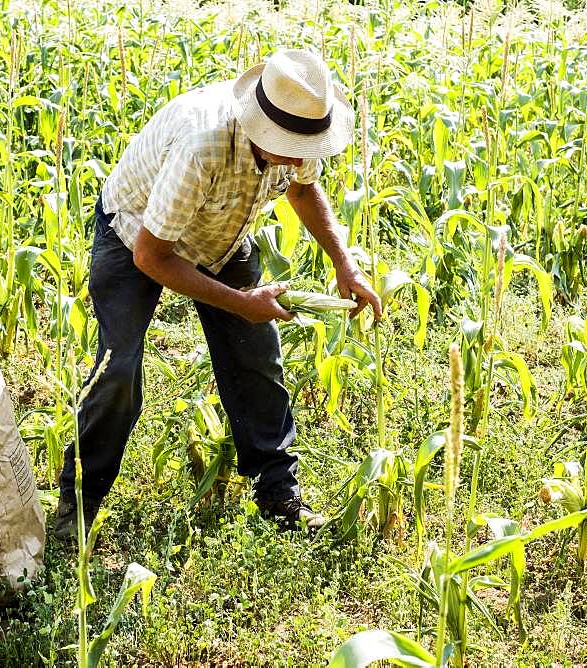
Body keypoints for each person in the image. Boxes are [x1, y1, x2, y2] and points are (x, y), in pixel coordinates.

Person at [54, 49, 382, 538]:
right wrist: (243, 304)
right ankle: (78, 506)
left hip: (221, 237)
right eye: (289, 146)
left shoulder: (299, 135)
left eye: (304, 147)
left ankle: (278, 494)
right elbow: (153, 257)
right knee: (118, 370)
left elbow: (301, 191)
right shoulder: (203, 144)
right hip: (136, 235)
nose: (299, 158)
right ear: (260, 125)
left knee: (257, 363)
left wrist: (345, 263)